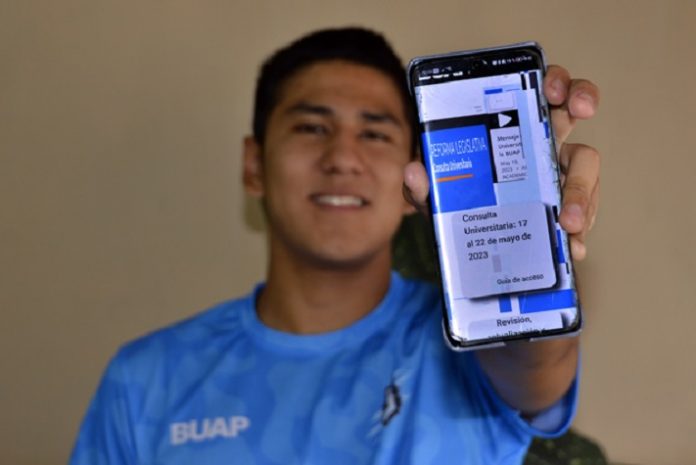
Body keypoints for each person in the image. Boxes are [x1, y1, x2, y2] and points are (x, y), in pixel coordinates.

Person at [70, 27, 600, 465]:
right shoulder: (145, 382)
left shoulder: (468, 339)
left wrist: (523, 226)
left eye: (374, 134)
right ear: (254, 165)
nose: (343, 158)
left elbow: (535, 367)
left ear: (415, 170)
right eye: (311, 127)